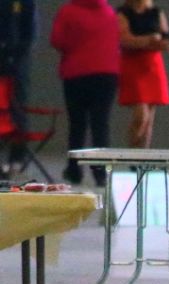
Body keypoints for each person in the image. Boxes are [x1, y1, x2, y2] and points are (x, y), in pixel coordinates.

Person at [50, 0, 120, 187]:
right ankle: (101, 173)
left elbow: (57, 40)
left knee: (77, 124)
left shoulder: (68, 11)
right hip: (107, 74)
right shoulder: (109, 12)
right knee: (101, 124)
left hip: (76, 73)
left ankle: (74, 171)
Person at [116, 0, 169, 149]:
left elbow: (166, 38)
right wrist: (148, 40)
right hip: (133, 65)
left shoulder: (156, 12)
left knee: (149, 120)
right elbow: (124, 40)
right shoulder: (123, 13)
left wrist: (160, 42)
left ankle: (142, 158)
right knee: (141, 116)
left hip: (153, 65)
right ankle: (132, 153)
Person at [0, 0, 37, 178]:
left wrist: (15, 55)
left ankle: (16, 158)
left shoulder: (25, 3)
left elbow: (28, 32)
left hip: (16, 61)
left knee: (17, 110)